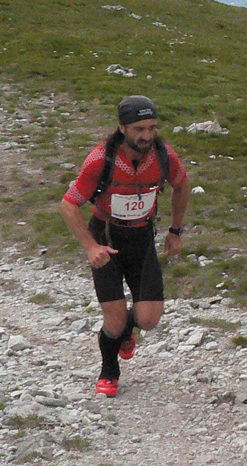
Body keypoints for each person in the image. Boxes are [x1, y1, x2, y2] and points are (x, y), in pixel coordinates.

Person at [59, 95, 190, 397]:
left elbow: (182, 185)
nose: (147, 136)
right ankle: (109, 371)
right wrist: (91, 247)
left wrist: (175, 230)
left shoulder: (164, 156)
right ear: (122, 128)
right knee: (114, 319)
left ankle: (129, 329)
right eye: (139, 129)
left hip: (141, 237)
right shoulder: (101, 159)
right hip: (106, 237)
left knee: (149, 319)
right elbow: (68, 204)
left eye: (152, 128)